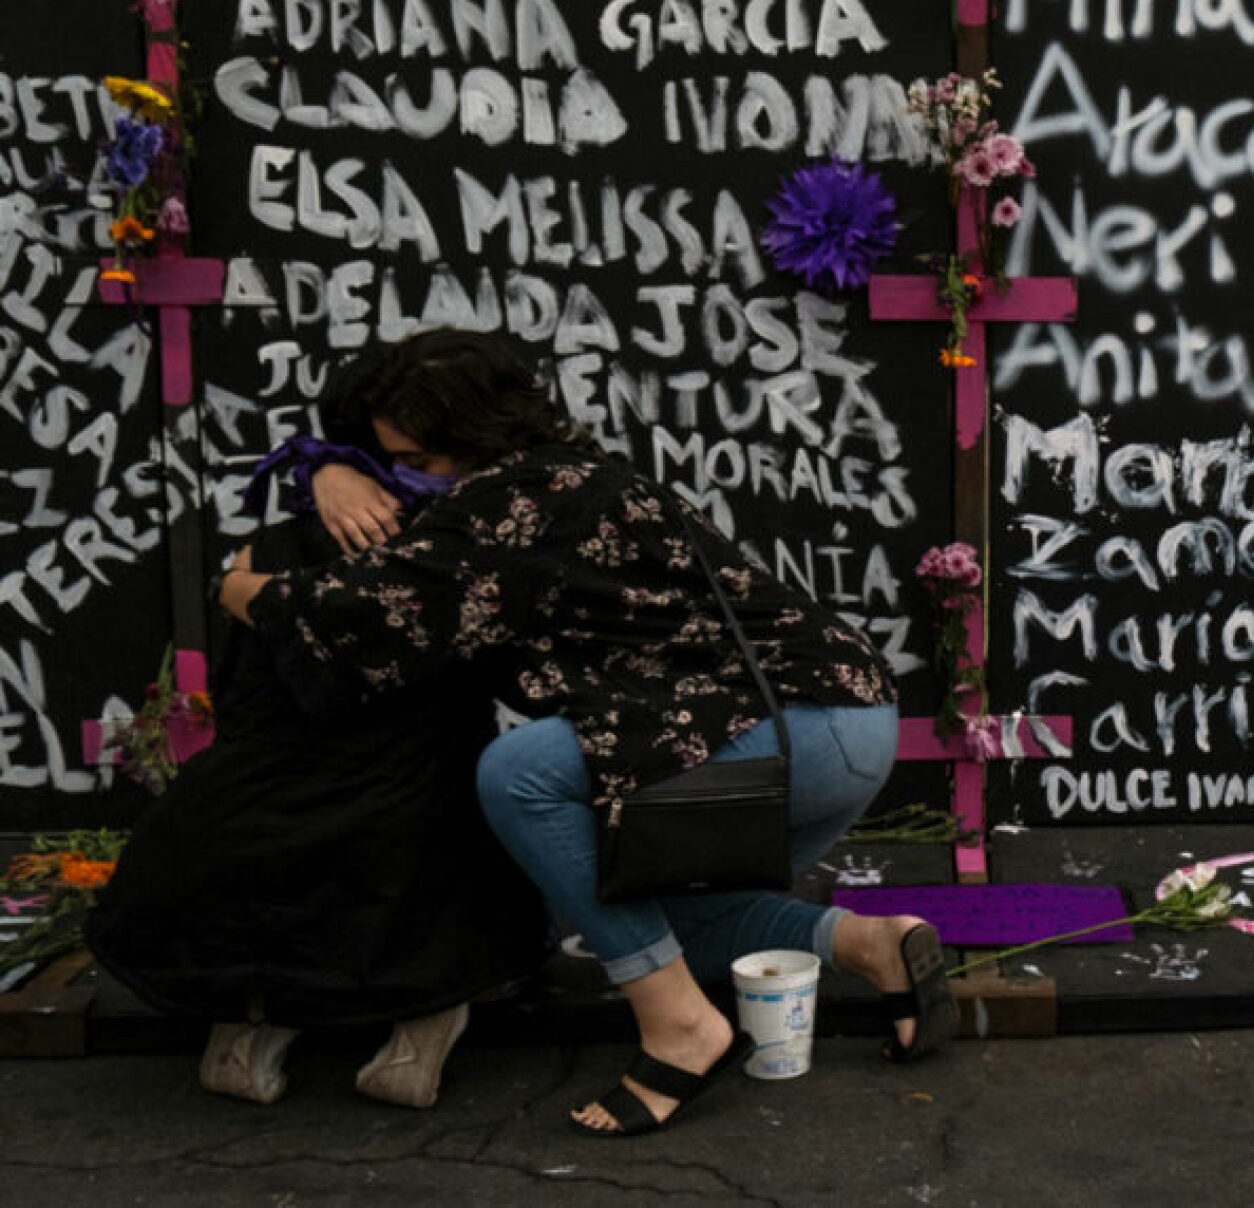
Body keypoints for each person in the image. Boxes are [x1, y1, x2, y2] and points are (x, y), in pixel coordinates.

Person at [215, 328, 955, 1137]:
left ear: (471, 435)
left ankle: (681, 1029)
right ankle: (871, 945)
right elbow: (362, 465)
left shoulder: (510, 506)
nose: (406, 479)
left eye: (419, 461)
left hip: (782, 733)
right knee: (653, 915)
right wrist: (329, 466)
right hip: (841, 725)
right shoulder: (570, 471)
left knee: (520, 773)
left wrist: (240, 585)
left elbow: (363, 609)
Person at [87, 348, 552, 1108]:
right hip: (411, 820)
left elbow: (241, 686)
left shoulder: (269, 550)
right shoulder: (468, 549)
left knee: (282, 841)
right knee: (458, 805)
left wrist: (254, 562)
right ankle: (425, 1018)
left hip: (242, 815)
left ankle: (251, 1022)